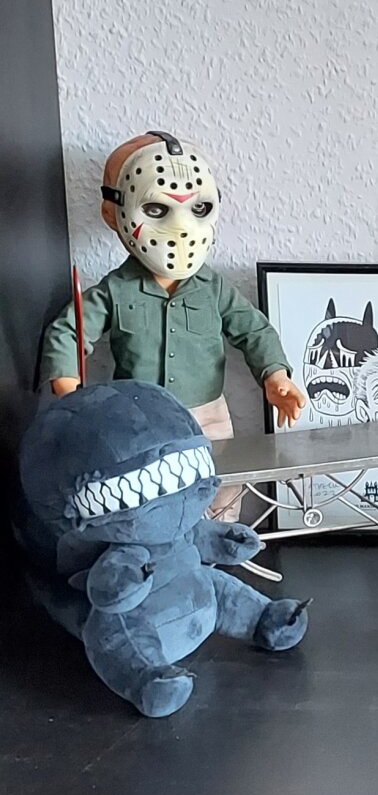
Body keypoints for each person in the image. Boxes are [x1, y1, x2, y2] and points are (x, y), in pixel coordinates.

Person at [40, 131, 305, 520]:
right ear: (112, 214)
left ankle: (219, 540)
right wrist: (70, 390)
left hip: (209, 415)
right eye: (156, 208)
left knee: (220, 486)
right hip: (139, 419)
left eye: (197, 208)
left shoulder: (213, 288)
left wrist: (275, 376)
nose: (180, 227)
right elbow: (70, 331)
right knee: (146, 491)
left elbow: (254, 330)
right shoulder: (116, 290)